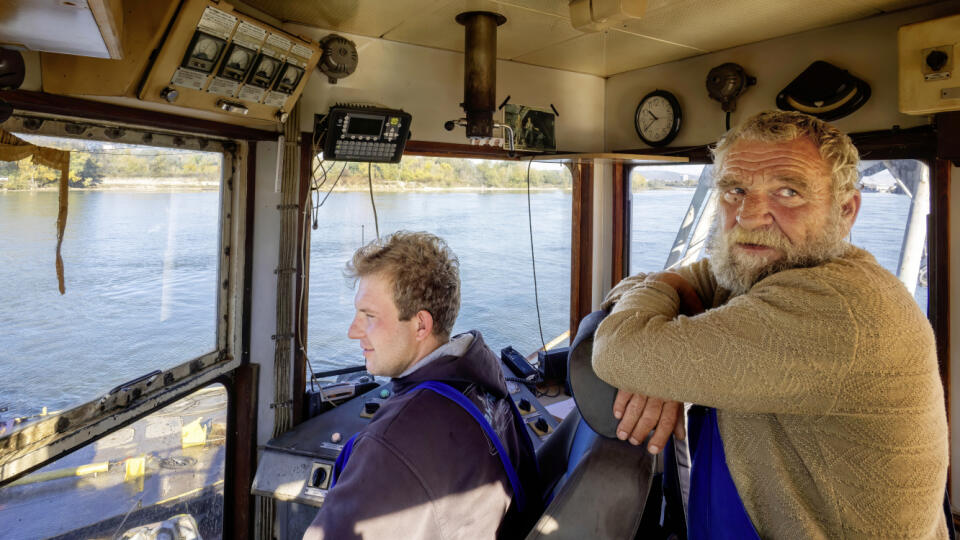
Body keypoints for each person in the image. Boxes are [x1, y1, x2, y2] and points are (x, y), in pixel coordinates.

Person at [592, 111, 950, 538]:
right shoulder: (758, 269)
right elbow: (655, 289)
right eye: (735, 190)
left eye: (788, 191)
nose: (749, 215)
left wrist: (652, 341)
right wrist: (663, 287)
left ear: (846, 210)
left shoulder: (840, 309)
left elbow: (619, 351)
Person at [304, 231, 539, 540]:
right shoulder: (484, 378)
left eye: (369, 316)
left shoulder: (390, 448)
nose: (352, 331)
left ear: (421, 325)